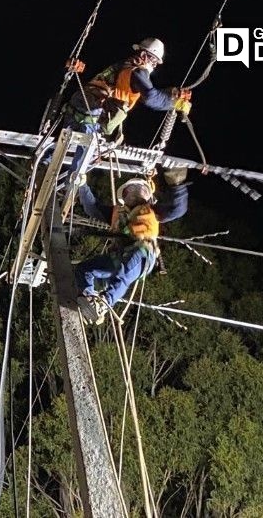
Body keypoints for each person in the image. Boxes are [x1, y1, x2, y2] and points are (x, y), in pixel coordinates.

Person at [59, 37, 193, 177]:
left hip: (76, 108)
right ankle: (73, 183)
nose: (154, 66)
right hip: (91, 116)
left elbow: (136, 94)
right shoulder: (138, 72)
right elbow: (151, 98)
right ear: (143, 55)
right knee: (79, 167)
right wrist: (177, 104)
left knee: (61, 146)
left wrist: (172, 93)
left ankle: (43, 163)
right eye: (153, 61)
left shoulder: (123, 66)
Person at [74, 167, 189, 325]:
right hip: (118, 256)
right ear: (124, 196)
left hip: (142, 252)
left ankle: (104, 303)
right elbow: (92, 207)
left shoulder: (152, 211)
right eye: (130, 190)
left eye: (140, 189)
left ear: (147, 195)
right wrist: (82, 186)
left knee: (124, 271)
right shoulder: (117, 213)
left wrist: (176, 182)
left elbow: (177, 208)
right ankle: (90, 298)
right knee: (84, 269)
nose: (135, 192)